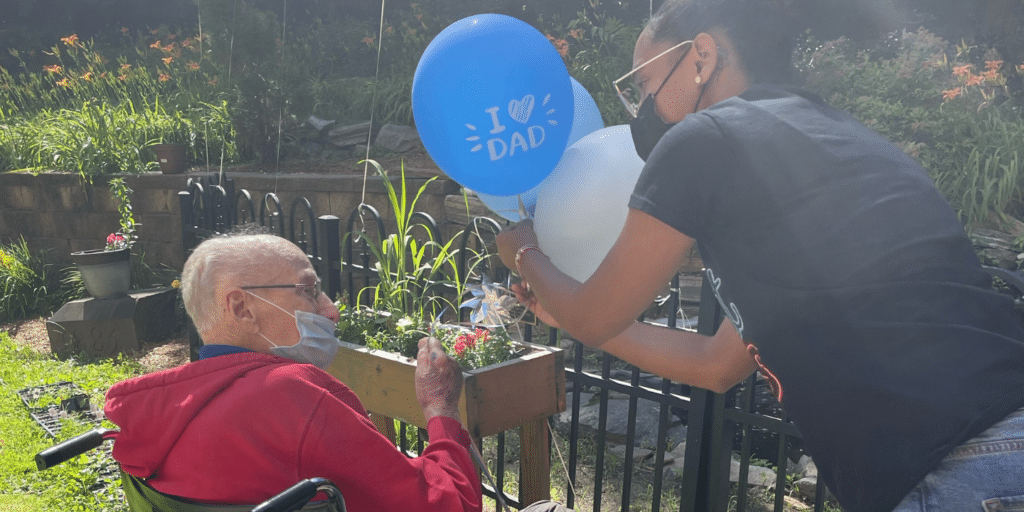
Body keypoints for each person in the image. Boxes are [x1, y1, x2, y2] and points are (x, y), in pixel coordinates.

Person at [496, 1, 1024, 511]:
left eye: (644, 84)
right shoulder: (840, 142)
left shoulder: (705, 137)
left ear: (701, 57)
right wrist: (571, 315)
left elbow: (593, 315)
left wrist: (524, 252)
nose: (642, 109)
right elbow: (715, 365)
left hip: (957, 469)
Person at [103, 232, 482, 512]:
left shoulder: (159, 415)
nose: (331, 310)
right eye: (308, 291)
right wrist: (441, 409)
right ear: (241, 308)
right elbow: (445, 507)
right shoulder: (293, 396)